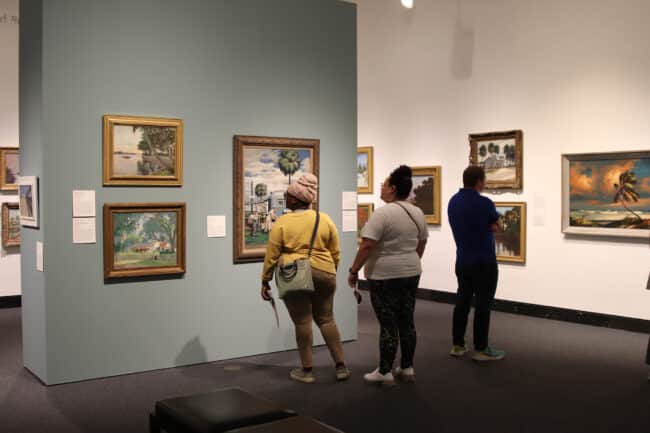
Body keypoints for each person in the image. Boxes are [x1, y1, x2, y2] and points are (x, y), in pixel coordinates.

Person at [260, 173, 349, 384]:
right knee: (327, 319)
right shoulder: (324, 218)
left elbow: (271, 255)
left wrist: (265, 280)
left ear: (295, 199)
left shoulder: (282, 222)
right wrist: (329, 270)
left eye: (288, 195)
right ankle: (341, 367)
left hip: (295, 274)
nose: (286, 197)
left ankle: (307, 371)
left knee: (303, 321)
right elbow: (335, 251)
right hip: (325, 272)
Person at [348, 165, 428, 385]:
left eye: (383, 184)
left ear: (392, 188)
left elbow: (366, 246)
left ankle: (385, 371)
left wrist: (353, 270)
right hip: (411, 272)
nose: (381, 188)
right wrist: (410, 261)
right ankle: (407, 367)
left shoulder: (382, 214)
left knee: (388, 323)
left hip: (384, 275)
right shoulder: (417, 212)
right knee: (407, 321)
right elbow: (421, 243)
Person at [447, 166, 504, 361]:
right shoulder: (485, 203)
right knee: (483, 304)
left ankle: (458, 345)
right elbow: (499, 226)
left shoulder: (453, 202)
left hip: (463, 260)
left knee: (462, 301)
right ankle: (481, 348)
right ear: (479, 181)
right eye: (484, 180)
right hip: (484, 262)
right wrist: (490, 224)